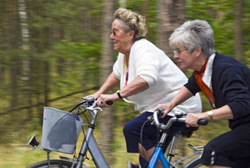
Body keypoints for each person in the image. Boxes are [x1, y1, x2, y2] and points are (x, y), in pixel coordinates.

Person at [91, 8, 202, 168]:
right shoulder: (125, 54)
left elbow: (147, 78)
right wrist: (98, 94)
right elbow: (116, 75)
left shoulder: (142, 49)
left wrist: (115, 96)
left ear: (130, 34)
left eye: (115, 32)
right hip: (159, 109)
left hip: (181, 106)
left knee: (134, 129)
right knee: (146, 161)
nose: (111, 36)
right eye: (111, 32)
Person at [155, 19, 250, 168]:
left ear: (197, 51)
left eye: (179, 51)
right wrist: (170, 104)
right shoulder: (203, 72)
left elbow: (241, 105)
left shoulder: (225, 69)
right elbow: (191, 86)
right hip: (242, 127)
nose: (175, 56)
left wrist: (204, 115)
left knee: (214, 151)